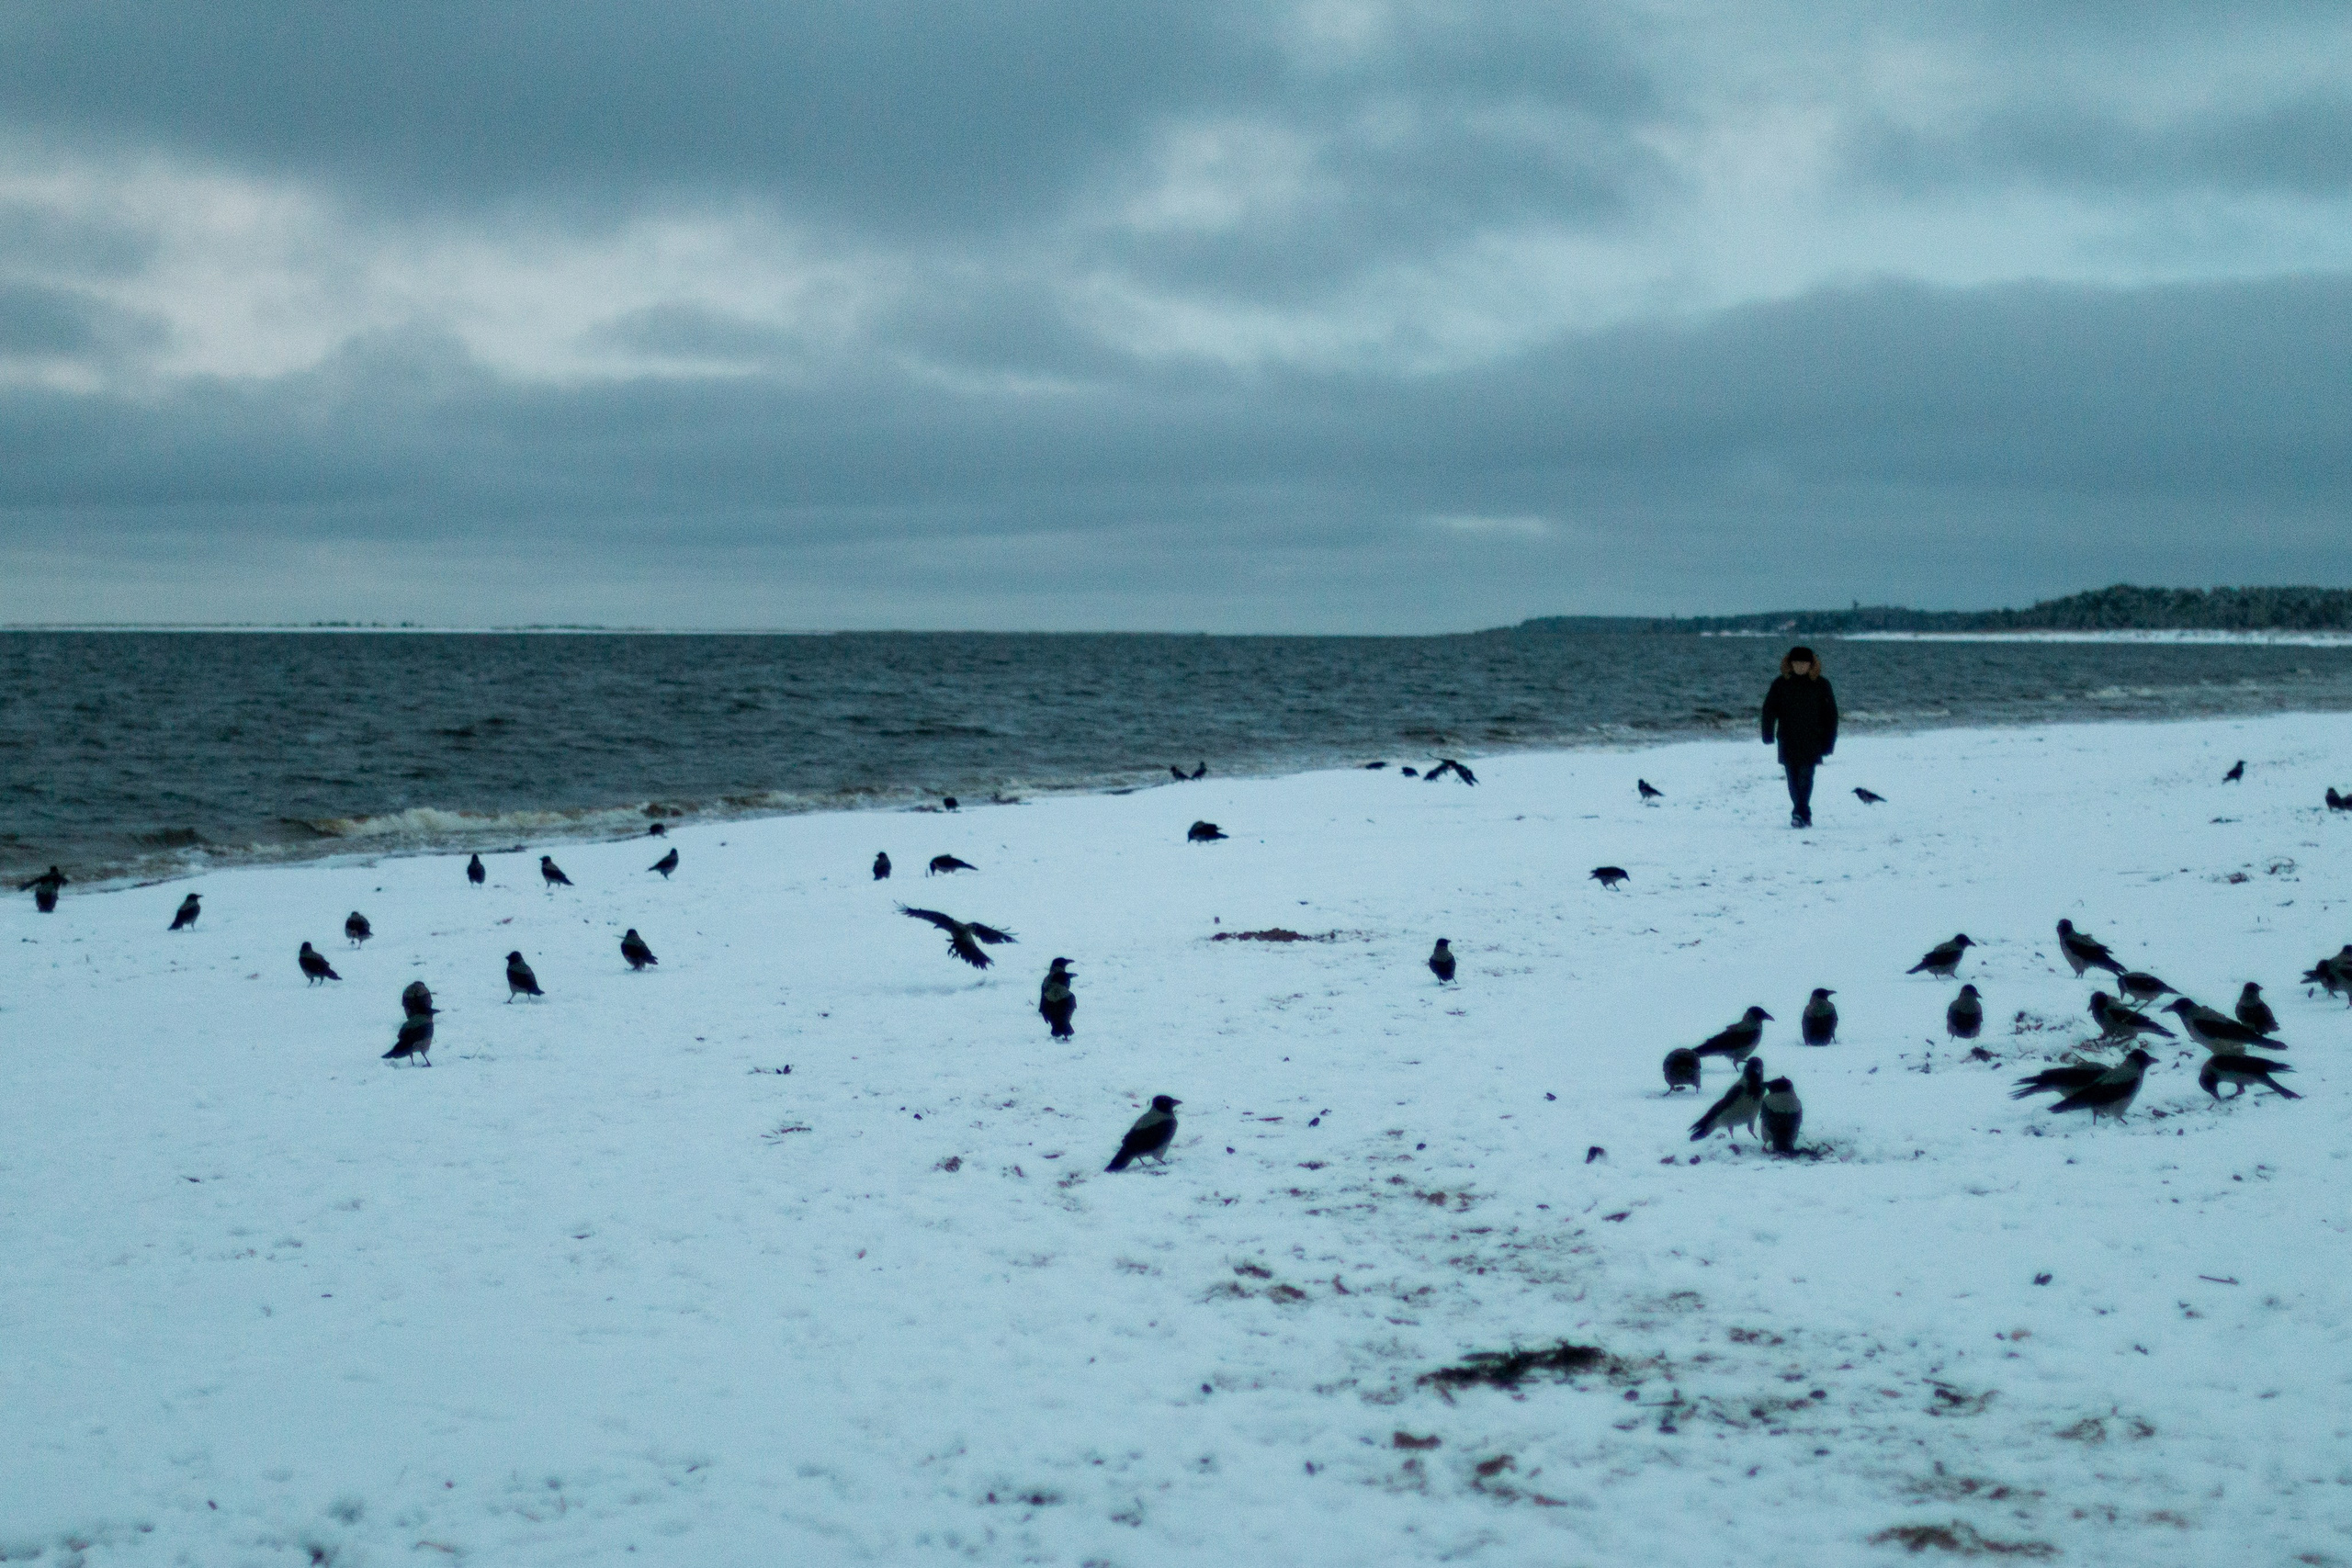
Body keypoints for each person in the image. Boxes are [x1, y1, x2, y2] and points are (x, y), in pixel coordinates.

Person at [1760, 645, 1838, 828]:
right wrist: (1767, 733)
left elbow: (1831, 715)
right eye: (1797, 663)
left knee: (1806, 777)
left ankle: (1799, 813)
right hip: (1787, 739)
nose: (1800, 666)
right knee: (1793, 778)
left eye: (1804, 663)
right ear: (1790, 664)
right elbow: (1769, 709)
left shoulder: (1821, 684)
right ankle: (1803, 812)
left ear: (1811, 664)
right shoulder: (1780, 684)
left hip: (1812, 739)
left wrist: (1828, 742)